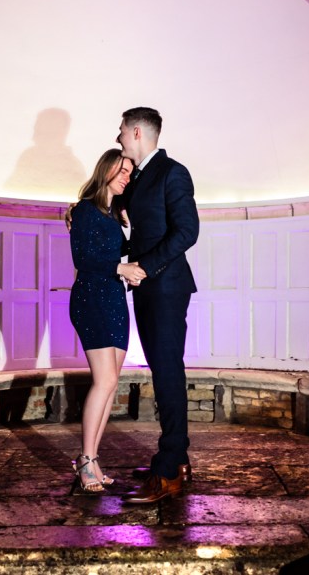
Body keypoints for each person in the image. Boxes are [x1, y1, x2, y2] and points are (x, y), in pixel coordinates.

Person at [115, 106, 200, 505]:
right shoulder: (140, 177)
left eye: (120, 132)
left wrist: (144, 268)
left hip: (165, 288)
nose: (117, 138)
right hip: (148, 288)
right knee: (162, 372)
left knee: (168, 374)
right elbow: (135, 218)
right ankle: (176, 459)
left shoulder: (172, 172)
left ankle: (168, 472)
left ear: (136, 132)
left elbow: (188, 231)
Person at [68, 148, 146, 493]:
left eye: (130, 171)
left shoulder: (114, 215)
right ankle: (85, 459)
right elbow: (83, 259)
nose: (127, 176)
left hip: (114, 299)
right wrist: (121, 268)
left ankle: (93, 459)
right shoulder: (85, 210)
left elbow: (119, 252)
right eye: (122, 169)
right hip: (92, 300)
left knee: (111, 383)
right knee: (103, 382)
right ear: (106, 170)